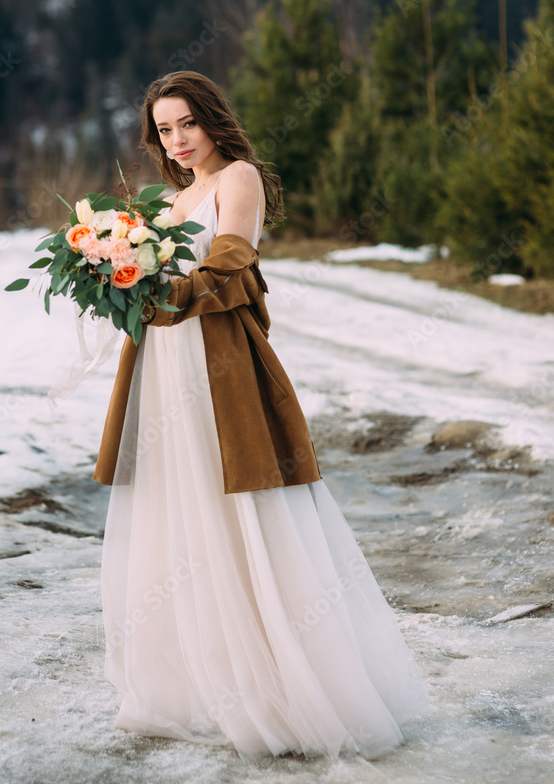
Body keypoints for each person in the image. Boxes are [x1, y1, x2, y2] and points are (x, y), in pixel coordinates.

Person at [93, 70, 431, 762]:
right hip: (163, 367)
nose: (178, 139)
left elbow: (229, 265)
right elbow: (147, 274)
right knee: (182, 513)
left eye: (188, 122)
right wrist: (107, 273)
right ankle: (202, 686)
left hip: (216, 366)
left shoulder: (237, 178)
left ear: (213, 118)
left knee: (242, 510)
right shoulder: (170, 200)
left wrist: (162, 297)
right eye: (164, 129)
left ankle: (287, 687)